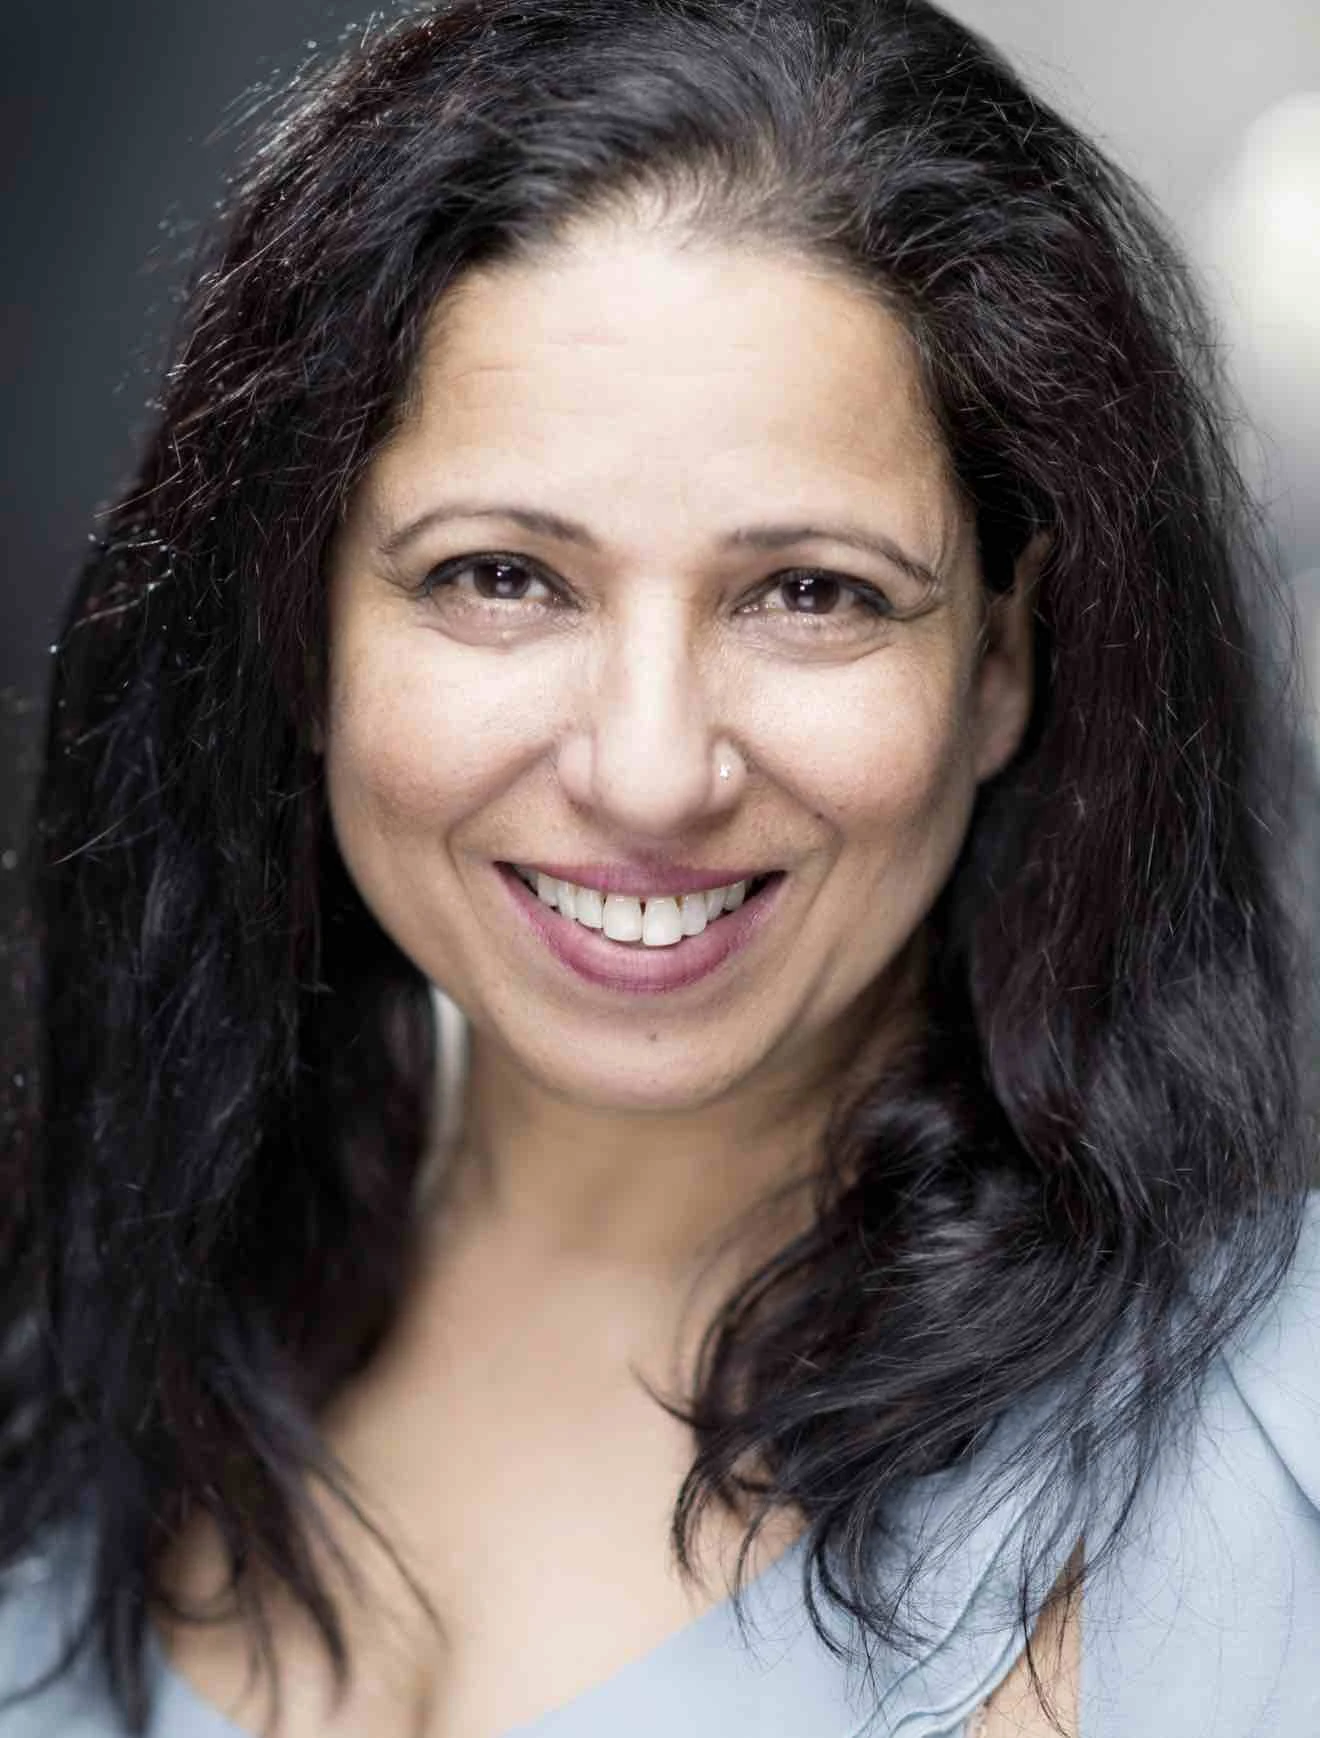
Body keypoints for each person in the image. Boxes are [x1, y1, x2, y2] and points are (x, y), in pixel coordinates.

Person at [2, 1, 1317, 1733]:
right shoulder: (71, 1322)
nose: (647, 770)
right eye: (501, 576)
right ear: (299, 626)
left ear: (1003, 659)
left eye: (812, 592)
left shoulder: (1264, 1442)